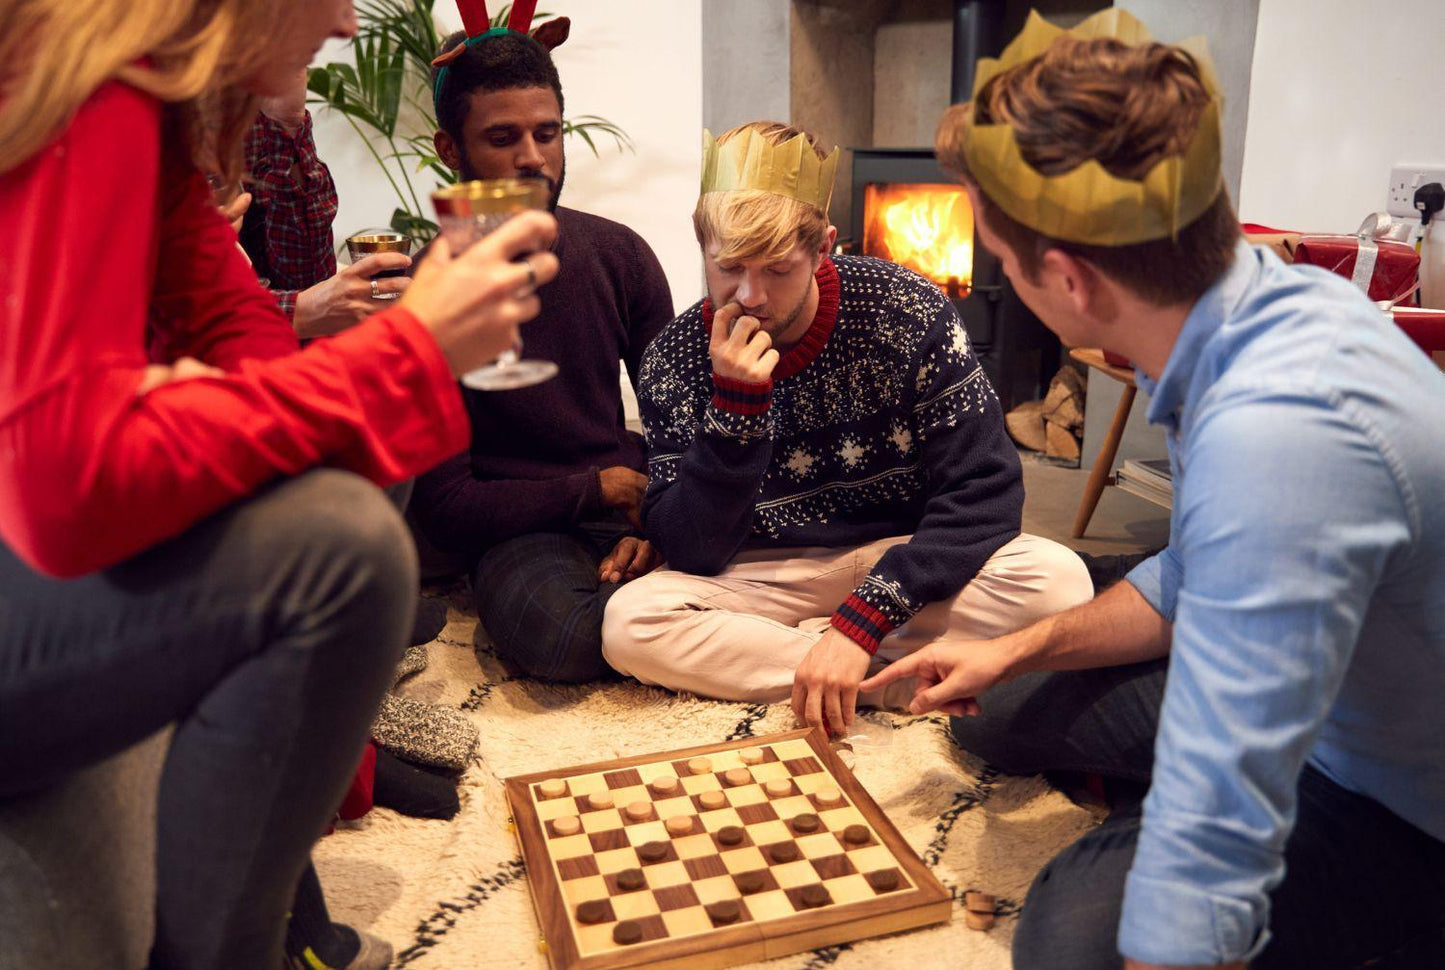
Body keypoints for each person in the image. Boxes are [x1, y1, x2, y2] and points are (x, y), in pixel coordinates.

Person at [862, 11, 1445, 970]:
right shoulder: (1249, 303)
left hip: (1399, 807)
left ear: (1067, 279)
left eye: (1000, 259)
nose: (1000, 275)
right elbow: (1194, 571)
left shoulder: (1279, 438)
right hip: (1330, 688)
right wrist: (1011, 648)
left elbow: (1225, 800)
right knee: (999, 705)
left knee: (1075, 943)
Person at [0, 2, 558, 969]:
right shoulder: (90, 89)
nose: (346, 22)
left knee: (359, 481)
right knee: (338, 549)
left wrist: (378, 365)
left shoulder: (162, 122)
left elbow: (243, 343)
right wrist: (405, 352)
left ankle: (298, 906)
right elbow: (67, 481)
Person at [601, 121, 1092, 736]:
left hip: (899, 554)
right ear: (702, 249)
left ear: (823, 249)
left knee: (1059, 582)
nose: (750, 296)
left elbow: (985, 496)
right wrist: (735, 411)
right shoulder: (674, 358)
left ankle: (812, 655)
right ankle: (891, 681)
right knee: (630, 624)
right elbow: (692, 550)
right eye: (728, 268)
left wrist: (863, 620)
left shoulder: (905, 309)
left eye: (777, 269)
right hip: (762, 574)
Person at [408, 17, 675, 684]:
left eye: (547, 133)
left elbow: (678, 426)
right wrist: (595, 488)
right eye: (502, 139)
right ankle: (657, 613)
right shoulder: (428, 290)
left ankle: (653, 603)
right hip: (519, 525)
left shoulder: (621, 254)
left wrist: (659, 526)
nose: (532, 157)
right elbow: (446, 507)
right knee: (562, 641)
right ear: (450, 148)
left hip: (627, 505)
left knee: (748, 542)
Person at [240, 67, 416, 338]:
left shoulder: (252, 113)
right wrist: (303, 310)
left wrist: (287, 121)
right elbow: (193, 312)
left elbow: (303, 279)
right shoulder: (178, 122)